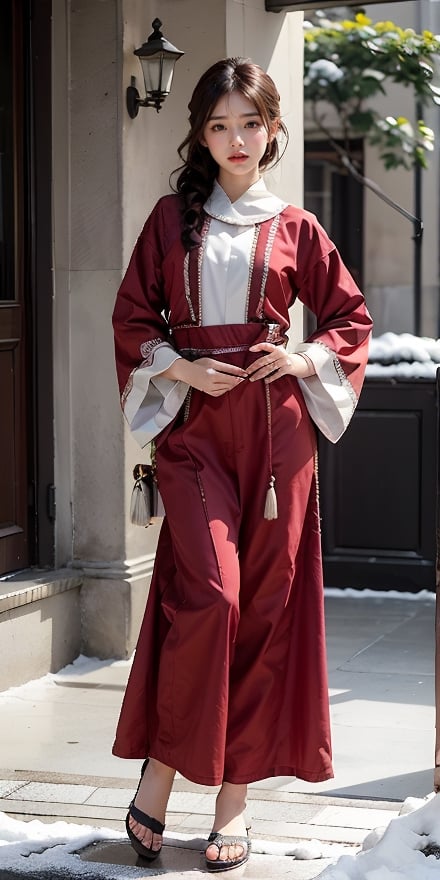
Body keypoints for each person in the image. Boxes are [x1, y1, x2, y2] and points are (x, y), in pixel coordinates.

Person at [112, 57, 373, 872]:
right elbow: (130, 316)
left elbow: (349, 319)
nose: (235, 140)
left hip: (275, 442)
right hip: (194, 437)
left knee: (262, 610)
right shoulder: (168, 221)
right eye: (219, 125)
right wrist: (181, 368)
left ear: (272, 129)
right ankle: (161, 770)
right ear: (199, 132)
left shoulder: (296, 227)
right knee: (214, 596)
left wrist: (302, 362)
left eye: (249, 124)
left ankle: (233, 805)